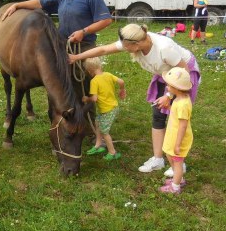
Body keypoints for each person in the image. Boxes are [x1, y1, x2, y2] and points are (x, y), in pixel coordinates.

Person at [69, 23, 200, 175]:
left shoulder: (164, 48)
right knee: (158, 116)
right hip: (166, 75)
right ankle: (158, 159)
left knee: (176, 120)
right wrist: (76, 57)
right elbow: (104, 49)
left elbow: (184, 71)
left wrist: (169, 95)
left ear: (136, 44)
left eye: (127, 47)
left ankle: (179, 163)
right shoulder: (133, 39)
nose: (125, 49)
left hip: (182, 77)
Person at [1, 0, 112, 132]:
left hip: (85, 47)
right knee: (62, 85)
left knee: (86, 88)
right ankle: (66, 122)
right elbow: (40, 3)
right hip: (63, 47)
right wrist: (18, 5)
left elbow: (106, 20)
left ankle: (90, 129)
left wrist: (84, 31)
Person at [82, 57, 126, 161]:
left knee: (104, 132)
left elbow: (94, 98)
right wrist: (122, 89)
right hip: (110, 107)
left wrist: (86, 98)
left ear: (89, 71)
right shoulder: (108, 75)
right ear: (100, 66)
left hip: (108, 110)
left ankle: (112, 152)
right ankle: (98, 145)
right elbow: (121, 81)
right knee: (97, 123)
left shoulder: (94, 81)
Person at [159, 67, 193, 195]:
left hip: (179, 138)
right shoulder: (179, 99)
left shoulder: (183, 104)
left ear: (177, 88)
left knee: (177, 162)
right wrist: (170, 106)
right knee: (169, 155)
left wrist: (178, 144)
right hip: (172, 135)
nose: (167, 87)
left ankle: (176, 186)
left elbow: (183, 126)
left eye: (169, 85)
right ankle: (177, 179)